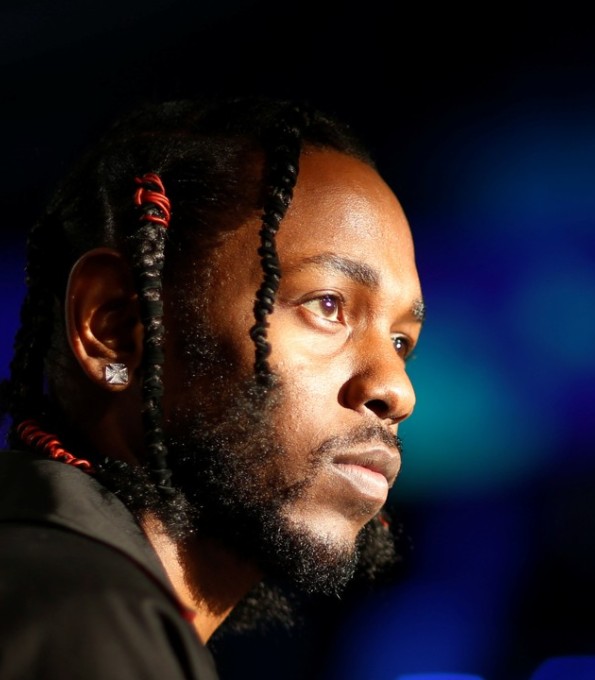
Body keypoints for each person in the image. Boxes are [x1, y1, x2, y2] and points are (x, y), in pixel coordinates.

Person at [0, 96, 425, 678]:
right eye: (328, 305)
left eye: (403, 342)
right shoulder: (85, 616)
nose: (397, 389)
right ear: (114, 327)